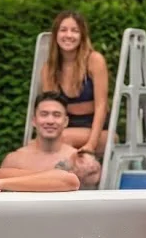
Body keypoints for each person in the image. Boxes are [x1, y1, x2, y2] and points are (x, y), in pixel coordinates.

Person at [39, 10, 112, 156]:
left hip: (98, 131)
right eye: (63, 30)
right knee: (33, 147)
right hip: (65, 128)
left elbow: (101, 106)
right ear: (56, 35)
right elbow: (49, 109)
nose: (68, 35)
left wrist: (91, 144)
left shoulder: (94, 61)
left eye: (75, 31)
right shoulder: (49, 68)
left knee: (60, 139)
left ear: (82, 36)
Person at [2, 91, 101, 189]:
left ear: (65, 121)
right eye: (44, 114)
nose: (50, 121)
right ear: (34, 120)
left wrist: (91, 172)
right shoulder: (14, 161)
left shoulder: (79, 161)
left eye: (57, 115)